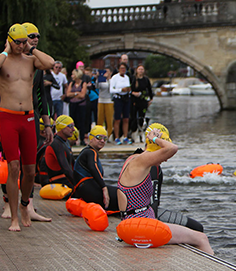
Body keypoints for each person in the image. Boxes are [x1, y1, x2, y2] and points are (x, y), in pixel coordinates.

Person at [0, 23, 55, 231]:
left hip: (28, 119)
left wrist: (31, 48)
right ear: (9, 41)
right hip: (8, 118)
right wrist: (7, 50)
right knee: (13, 167)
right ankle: (14, 216)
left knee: (30, 170)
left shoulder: (31, 61)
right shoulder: (1, 61)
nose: (21, 46)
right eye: (17, 42)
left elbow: (50, 62)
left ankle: (25, 204)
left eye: (23, 42)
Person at [117, 123, 214, 254]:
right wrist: (156, 138)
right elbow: (172, 148)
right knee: (201, 238)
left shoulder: (132, 159)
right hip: (140, 227)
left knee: (188, 235)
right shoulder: (141, 161)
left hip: (134, 225)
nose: (165, 160)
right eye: (162, 154)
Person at [72, 125, 119, 211]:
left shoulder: (86, 151)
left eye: (105, 139)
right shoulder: (91, 152)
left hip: (84, 189)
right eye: (98, 137)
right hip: (87, 190)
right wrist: (104, 188)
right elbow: (93, 168)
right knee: (123, 194)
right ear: (91, 138)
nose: (102, 141)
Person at [43, 115, 76, 188]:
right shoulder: (56, 144)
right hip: (59, 183)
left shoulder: (65, 142)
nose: (73, 129)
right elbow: (66, 169)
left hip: (66, 181)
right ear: (62, 127)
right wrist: (78, 184)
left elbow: (73, 165)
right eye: (70, 126)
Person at [130, 64, 153, 143]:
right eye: (139, 69)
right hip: (134, 101)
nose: (141, 71)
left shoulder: (146, 79)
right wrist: (133, 93)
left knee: (142, 117)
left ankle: (141, 133)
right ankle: (133, 133)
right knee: (133, 117)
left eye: (142, 69)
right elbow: (129, 89)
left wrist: (150, 99)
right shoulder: (133, 79)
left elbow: (149, 89)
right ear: (137, 70)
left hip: (143, 101)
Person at [110, 63, 132, 145]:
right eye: (121, 68)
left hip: (126, 98)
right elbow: (111, 90)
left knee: (126, 118)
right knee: (117, 119)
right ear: (118, 69)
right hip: (118, 98)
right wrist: (120, 90)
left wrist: (128, 90)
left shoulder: (127, 77)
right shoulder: (115, 78)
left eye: (124, 68)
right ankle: (116, 137)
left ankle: (125, 137)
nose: (123, 70)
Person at [66, 69, 88, 146]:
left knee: (82, 122)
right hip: (73, 105)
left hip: (81, 105)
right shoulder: (71, 84)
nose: (72, 76)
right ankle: (73, 139)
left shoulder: (83, 84)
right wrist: (76, 93)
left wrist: (73, 94)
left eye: (73, 74)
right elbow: (68, 94)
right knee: (73, 122)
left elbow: (82, 95)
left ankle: (82, 139)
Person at [96, 67, 114, 141]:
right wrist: (98, 78)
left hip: (109, 100)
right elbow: (97, 87)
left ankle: (109, 135)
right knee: (100, 118)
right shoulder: (101, 80)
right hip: (101, 100)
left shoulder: (112, 80)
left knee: (109, 119)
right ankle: (98, 134)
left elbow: (111, 89)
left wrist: (108, 79)